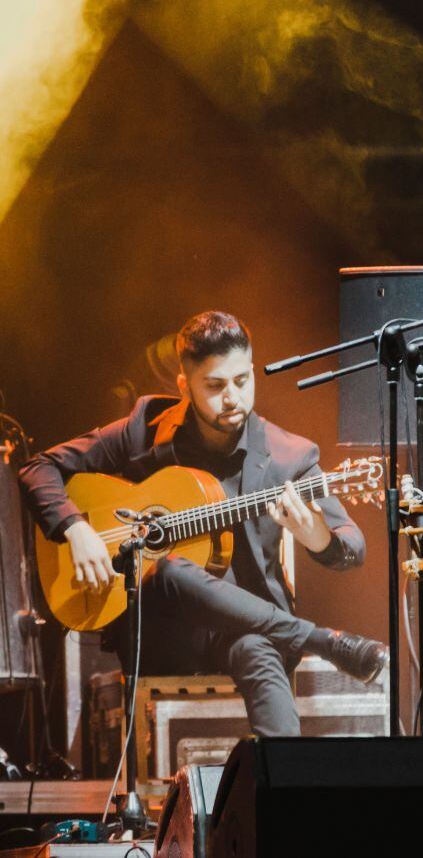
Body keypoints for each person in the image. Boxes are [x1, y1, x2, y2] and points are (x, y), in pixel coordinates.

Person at [20, 311, 388, 737]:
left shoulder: (290, 456)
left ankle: (283, 793)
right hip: (162, 633)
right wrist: (74, 527)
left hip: (249, 629)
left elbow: (352, 546)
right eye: (214, 386)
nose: (232, 397)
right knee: (172, 567)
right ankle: (323, 641)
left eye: (242, 380)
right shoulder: (145, 428)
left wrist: (318, 538)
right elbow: (38, 468)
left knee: (259, 652)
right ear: (185, 385)